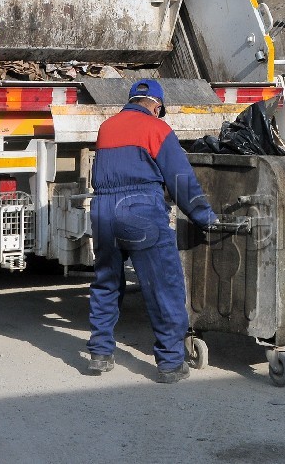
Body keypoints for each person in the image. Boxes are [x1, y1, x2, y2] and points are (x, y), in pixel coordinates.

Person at [86, 79, 218, 382]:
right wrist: (204, 216)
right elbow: (181, 180)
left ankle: (100, 352)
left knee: (107, 281)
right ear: (156, 106)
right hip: (139, 209)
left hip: (103, 210)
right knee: (163, 285)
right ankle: (170, 363)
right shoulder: (158, 129)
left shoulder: (107, 127)